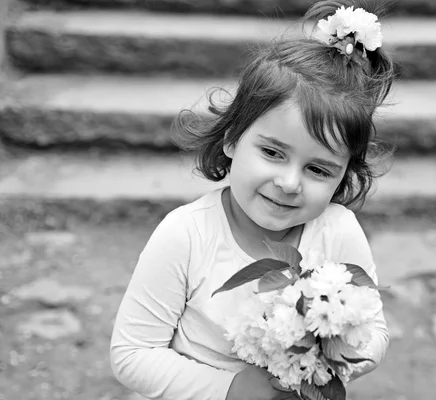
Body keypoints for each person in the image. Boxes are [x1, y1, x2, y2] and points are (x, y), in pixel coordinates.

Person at [110, 1, 395, 399]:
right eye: (273, 153)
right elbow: (132, 352)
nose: (290, 182)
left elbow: (374, 331)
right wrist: (230, 389)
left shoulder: (337, 233)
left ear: (342, 177)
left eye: (318, 170)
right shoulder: (186, 235)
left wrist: (330, 359)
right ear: (231, 138)